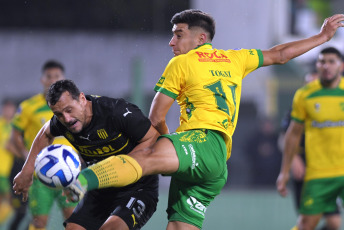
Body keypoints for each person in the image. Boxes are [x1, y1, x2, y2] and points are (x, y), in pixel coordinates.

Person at [14, 9, 344, 230]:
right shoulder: (236, 59)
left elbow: (157, 115)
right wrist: (322, 37)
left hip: (202, 142)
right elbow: (279, 54)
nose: (172, 41)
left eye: (178, 34)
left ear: (200, 38)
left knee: (144, 154)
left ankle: (81, 182)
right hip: (215, 164)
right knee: (178, 225)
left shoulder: (182, 64)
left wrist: (166, 138)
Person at [14, 79, 160, 230]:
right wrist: (27, 171)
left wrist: (123, 165)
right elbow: (45, 133)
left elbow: (154, 139)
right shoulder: (62, 122)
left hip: (138, 188)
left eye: (69, 110)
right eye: (59, 114)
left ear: (82, 99)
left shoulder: (116, 112)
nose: (67, 119)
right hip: (100, 189)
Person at [277, 47, 344, 230]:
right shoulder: (305, 95)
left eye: (332, 61)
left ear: (341, 65)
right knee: (307, 225)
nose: (326, 66)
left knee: (334, 223)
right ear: (317, 65)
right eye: (322, 61)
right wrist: (285, 170)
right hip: (317, 173)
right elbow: (291, 134)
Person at [7, 60, 78, 230]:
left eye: (57, 76)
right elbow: (14, 137)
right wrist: (27, 157)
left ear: (63, 79)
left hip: (69, 173)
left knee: (74, 221)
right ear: (42, 80)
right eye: (49, 76)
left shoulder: (73, 105)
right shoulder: (28, 107)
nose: (52, 80)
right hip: (40, 175)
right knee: (39, 223)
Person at [0, 99, 16, 226]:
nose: (7, 111)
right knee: (6, 200)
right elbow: (7, 146)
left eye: (10, 109)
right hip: (2, 170)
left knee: (8, 201)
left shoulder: (15, 127)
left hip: (7, 171)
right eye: (6, 108)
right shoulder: (1, 124)